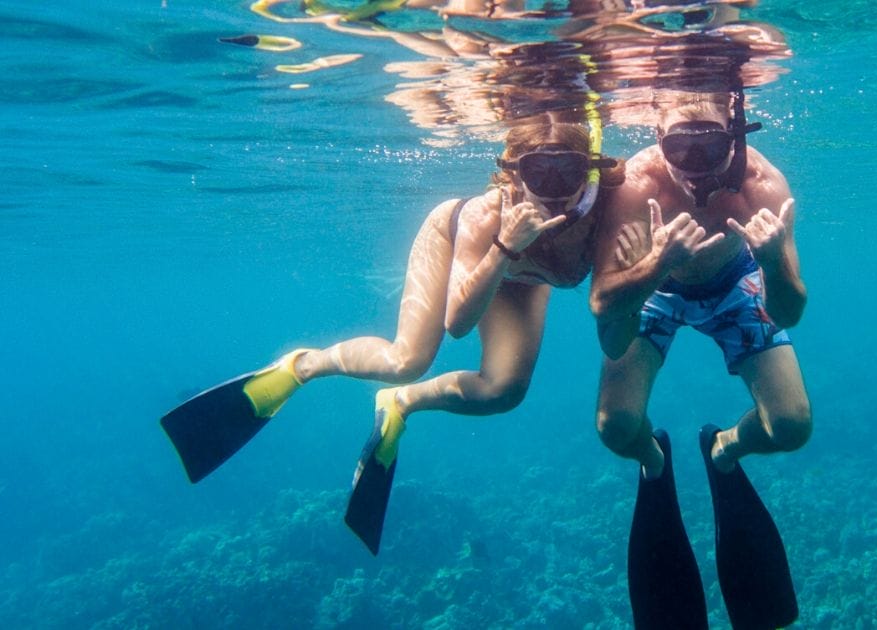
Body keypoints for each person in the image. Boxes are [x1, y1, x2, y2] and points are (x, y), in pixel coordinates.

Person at [161, 111, 623, 554]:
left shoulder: (608, 208)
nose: (556, 191)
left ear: (592, 171)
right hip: (473, 252)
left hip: (522, 279)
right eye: (539, 173)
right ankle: (303, 366)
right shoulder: (487, 217)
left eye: (570, 172)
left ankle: (401, 403)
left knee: (503, 392)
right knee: (407, 361)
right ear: (513, 175)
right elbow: (457, 325)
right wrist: (504, 247)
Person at [588, 89, 811, 629]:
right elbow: (604, 312)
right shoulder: (634, 187)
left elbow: (791, 310)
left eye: (708, 147)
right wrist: (657, 262)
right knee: (616, 427)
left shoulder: (762, 186)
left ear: (735, 134)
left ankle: (725, 448)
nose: (692, 167)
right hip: (656, 286)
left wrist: (773, 263)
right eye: (677, 148)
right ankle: (653, 459)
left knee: (791, 425)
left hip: (736, 282)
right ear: (656, 137)